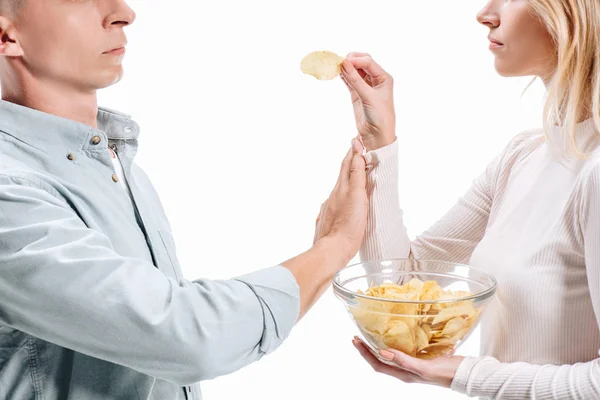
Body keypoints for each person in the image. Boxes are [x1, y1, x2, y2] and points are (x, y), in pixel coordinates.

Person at [0, 0, 369, 399]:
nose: (124, 12)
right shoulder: (10, 190)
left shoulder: (118, 164)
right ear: (7, 36)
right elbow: (187, 336)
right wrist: (336, 246)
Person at [338, 0, 600, 398]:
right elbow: (399, 284)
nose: (486, 13)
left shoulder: (594, 171)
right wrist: (380, 140)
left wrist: (464, 374)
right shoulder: (522, 156)